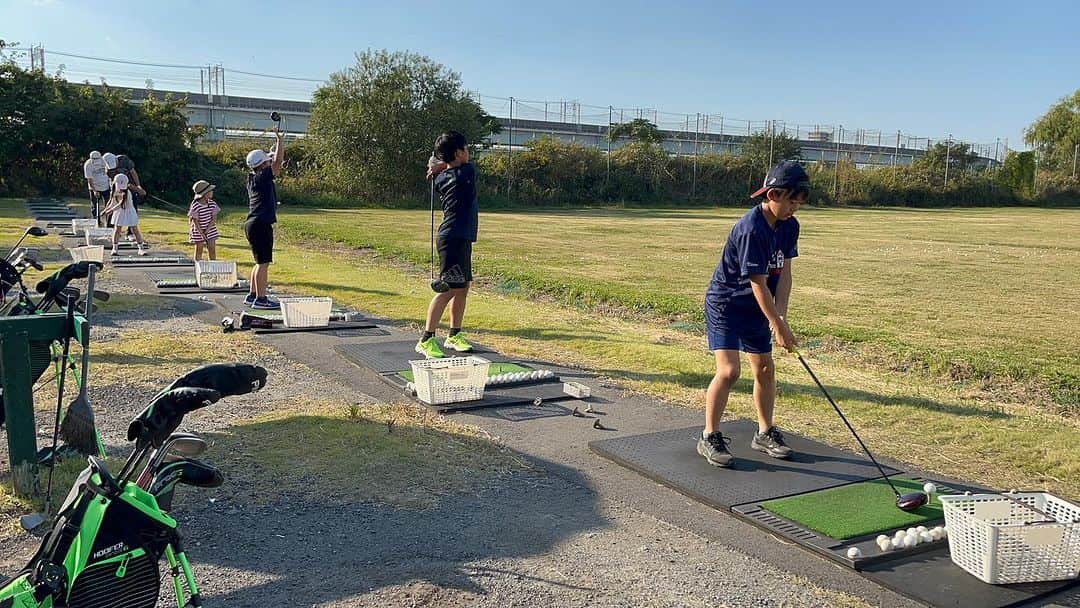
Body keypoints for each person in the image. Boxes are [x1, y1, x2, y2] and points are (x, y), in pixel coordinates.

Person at [697, 160, 808, 468]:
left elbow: (784, 274)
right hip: (727, 304)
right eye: (791, 200)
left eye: (800, 201)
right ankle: (709, 436)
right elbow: (757, 282)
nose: (795, 207)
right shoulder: (750, 229)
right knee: (730, 371)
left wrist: (782, 317)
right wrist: (776, 324)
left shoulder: (789, 227)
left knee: (764, 370)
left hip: (759, 308)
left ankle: (764, 432)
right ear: (772, 195)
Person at [415, 131, 478, 358]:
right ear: (459, 153)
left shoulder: (440, 177)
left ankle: (454, 334)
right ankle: (426, 338)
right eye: (467, 149)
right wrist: (440, 165)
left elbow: (446, 168)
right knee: (450, 289)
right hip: (452, 238)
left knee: (463, 286)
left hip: (459, 237)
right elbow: (459, 167)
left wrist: (438, 165)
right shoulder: (467, 172)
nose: (469, 153)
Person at [243, 126, 284, 309]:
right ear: (262, 165)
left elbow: (273, 163)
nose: (269, 163)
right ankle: (261, 299)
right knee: (263, 263)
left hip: (253, 223)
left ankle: (253, 295)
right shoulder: (261, 177)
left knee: (259, 262)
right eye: (266, 162)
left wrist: (274, 151)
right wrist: (280, 141)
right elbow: (277, 164)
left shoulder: (254, 177)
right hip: (260, 224)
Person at [101, 173, 147, 256]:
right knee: (117, 230)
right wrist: (105, 210)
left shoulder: (127, 193)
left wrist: (110, 210)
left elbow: (121, 204)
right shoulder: (114, 191)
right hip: (119, 212)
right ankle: (114, 249)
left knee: (134, 230)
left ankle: (141, 248)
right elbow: (112, 202)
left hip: (129, 211)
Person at [103, 152, 145, 237]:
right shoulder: (108, 170)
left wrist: (138, 186)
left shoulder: (124, 160)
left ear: (116, 159)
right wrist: (113, 194)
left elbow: (133, 172)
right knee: (113, 206)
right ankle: (110, 230)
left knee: (132, 208)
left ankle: (130, 232)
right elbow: (113, 183)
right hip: (118, 188)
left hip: (131, 186)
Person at [189, 180, 220, 261]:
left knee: (212, 249)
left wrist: (207, 230)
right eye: (210, 191)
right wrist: (202, 233)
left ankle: (213, 268)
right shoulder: (195, 205)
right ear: (205, 193)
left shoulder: (212, 204)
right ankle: (198, 267)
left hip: (210, 230)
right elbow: (195, 221)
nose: (212, 192)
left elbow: (214, 219)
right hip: (198, 230)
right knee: (199, 250)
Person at [83, 151, 110, 226]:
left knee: (108, 205)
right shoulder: (88, 165)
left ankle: (109, 223)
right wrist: (94, 190)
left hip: (106, 186)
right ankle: (96, 222)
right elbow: (89, 179)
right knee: (94, 206)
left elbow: (109, 173)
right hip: (94, 187)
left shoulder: (104, 162)